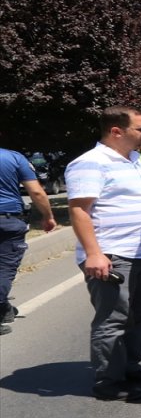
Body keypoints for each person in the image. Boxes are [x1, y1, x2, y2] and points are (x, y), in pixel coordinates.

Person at [64, 107, 141, 401]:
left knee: (140, 313)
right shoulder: (90, 163)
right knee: (114, 317)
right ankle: (108, 382)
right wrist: (94, 254)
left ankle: (130, 366)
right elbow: (78, 211)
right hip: (113, 254)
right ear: (116, 131)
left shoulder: (137, 160)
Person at [0, 143, 58, 335]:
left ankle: (4, 308)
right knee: (4, 268)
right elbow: (36, 192)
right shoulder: (13, 158)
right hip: (7, 219)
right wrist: (48, 216)